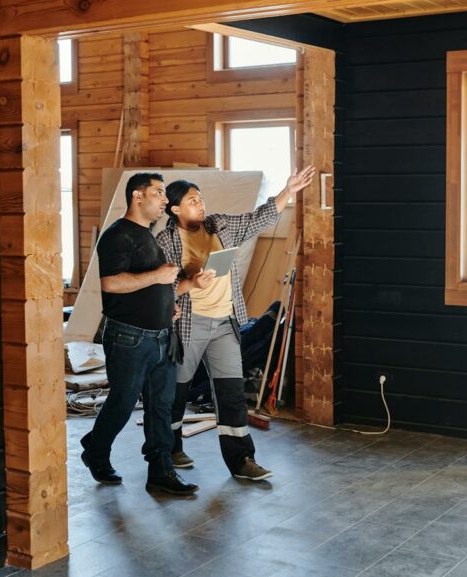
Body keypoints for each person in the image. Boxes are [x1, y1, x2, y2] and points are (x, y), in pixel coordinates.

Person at [157, 166, 316, 481]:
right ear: (175, 209)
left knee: (230, 391)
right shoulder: (166, 240)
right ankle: (169, 447)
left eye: (200, 199)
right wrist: (191, 281)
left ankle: (242, 460)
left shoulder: (220, 225)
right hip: (189, 324)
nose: (200, 204)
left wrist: (289, 190)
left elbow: (260, 218)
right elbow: (160, 286)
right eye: (192, 201)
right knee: (177, 390)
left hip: (224, 322)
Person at [79, 172, 198, 495]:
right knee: (122, 402)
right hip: (129, 337)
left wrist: (168, 306)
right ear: (137, 196)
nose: (164, 200)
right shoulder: (118, 235)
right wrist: (159, 277)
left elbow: (152, 285)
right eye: (158, 193)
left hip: (161, 336)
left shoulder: (149, 234)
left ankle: (160, 471)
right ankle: (96, 450)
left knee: (162, 405)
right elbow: (111, 283)